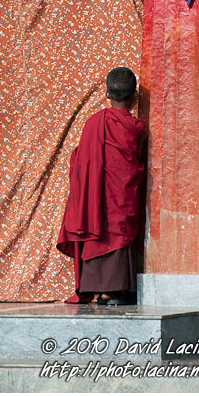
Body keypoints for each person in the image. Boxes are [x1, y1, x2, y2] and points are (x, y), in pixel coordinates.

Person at [56, 67, 144, 305]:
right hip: (120, 196)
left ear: (107, 94)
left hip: (95, 196)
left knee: (97, 224)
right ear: (135, 95)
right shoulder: (136, 128)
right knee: (118, 227)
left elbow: (80, 160)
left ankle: (97, 289)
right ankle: (114, 290)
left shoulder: (94, 123)